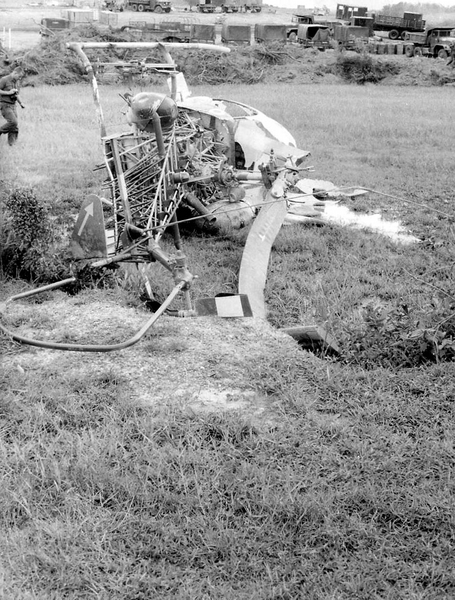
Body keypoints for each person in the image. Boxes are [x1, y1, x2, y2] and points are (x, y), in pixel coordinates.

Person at [0, 66, 24, 147]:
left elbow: (17, 94)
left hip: (13, 105)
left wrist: (21, 103)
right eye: (19, 76)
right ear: (15, 73)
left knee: (14, 127)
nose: (19, 78)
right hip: (5, 105)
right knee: (13, 122)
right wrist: (8, 93)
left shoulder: (17, 82)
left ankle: (12, 144)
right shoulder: (4, 79)